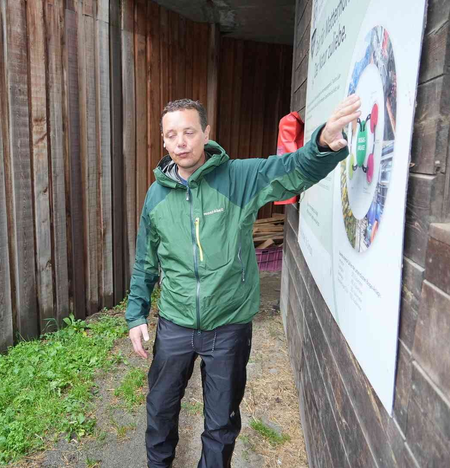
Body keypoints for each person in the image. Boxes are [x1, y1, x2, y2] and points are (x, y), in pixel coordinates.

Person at [127, 96, 361, 467]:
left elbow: (291, 169)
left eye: (189, 132)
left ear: (206, 133)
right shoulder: (156, 196)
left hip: (228, 325)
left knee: (221, 423)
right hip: (174, 324)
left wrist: (322, 144)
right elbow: (145, 260)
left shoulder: (239, 177)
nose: (181, 142)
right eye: (172, 135)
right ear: (164, 140)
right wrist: (136, 313)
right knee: (159, 409)